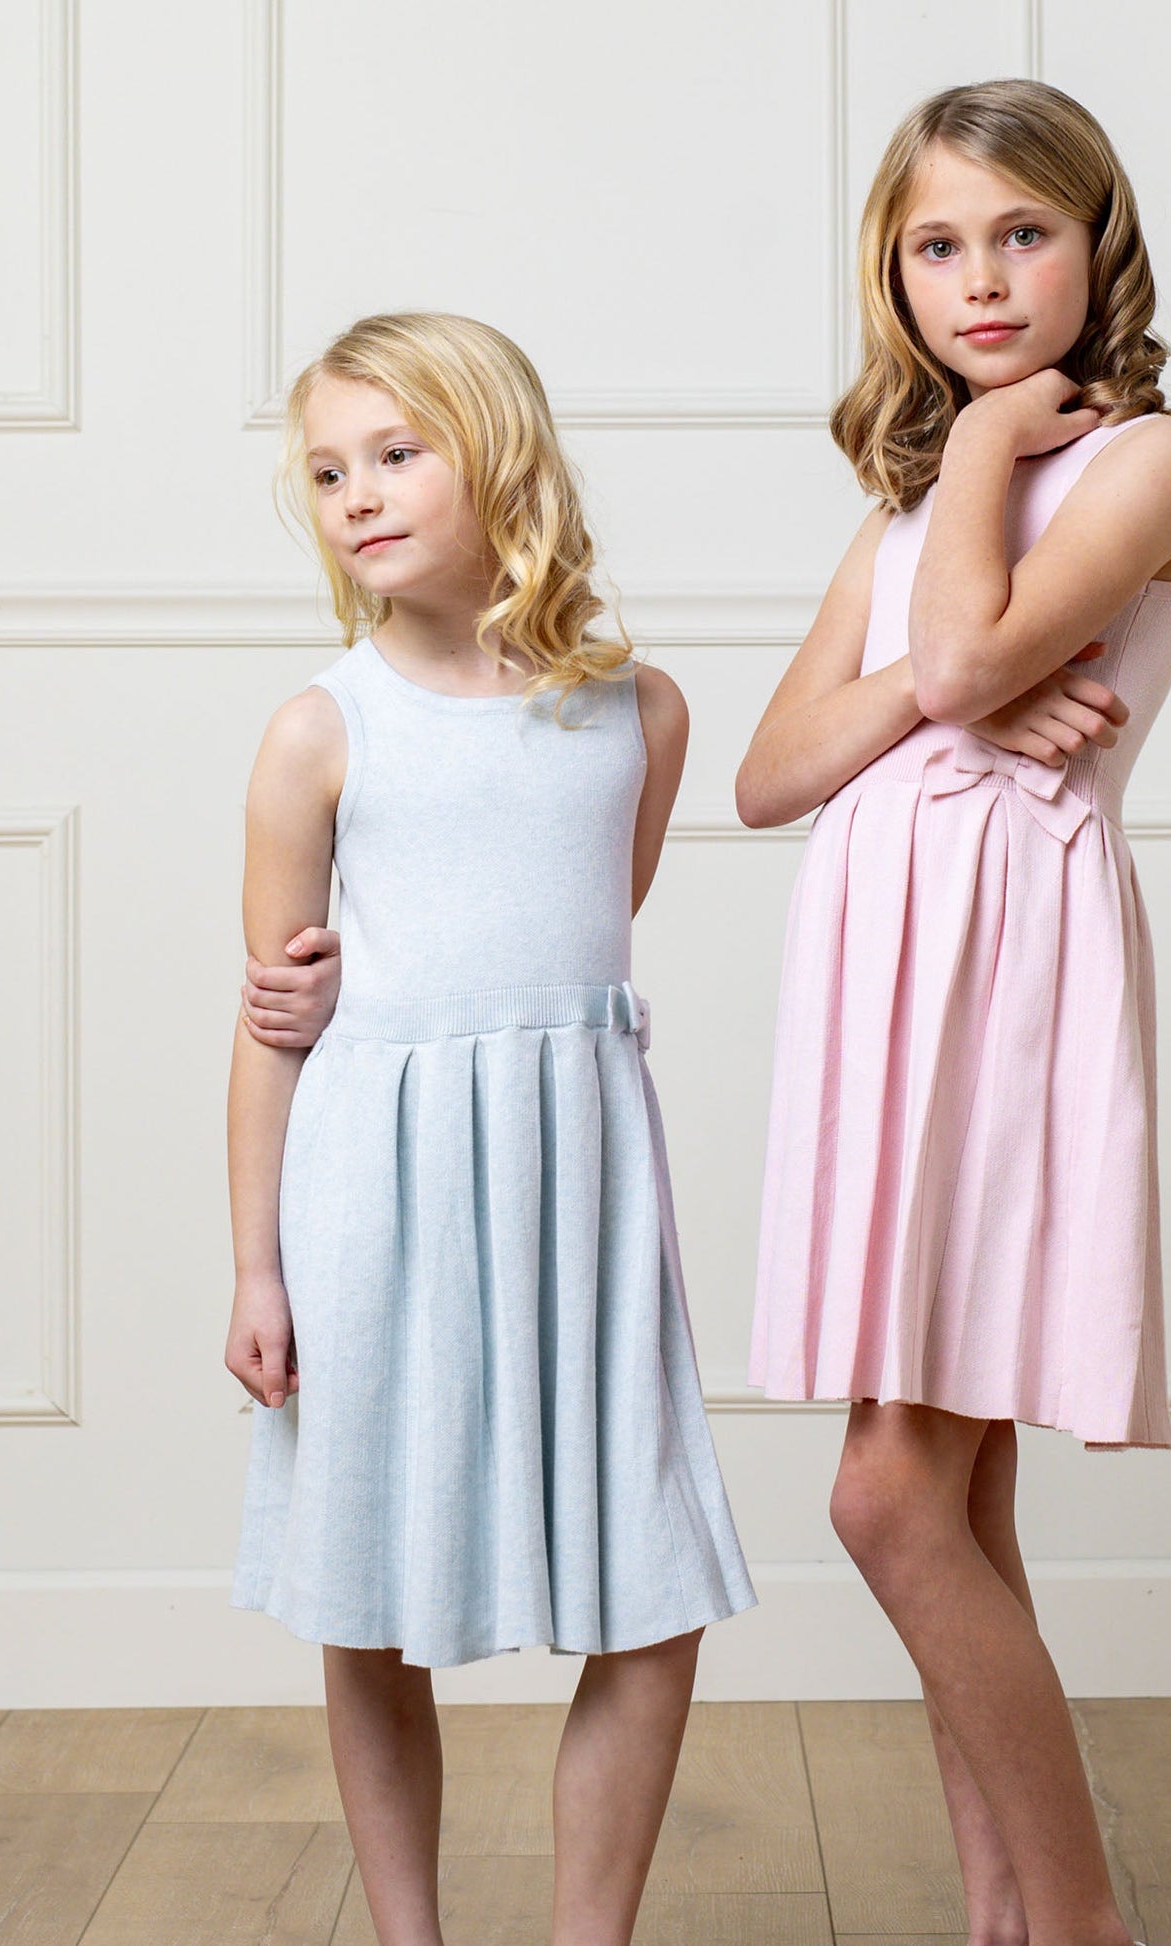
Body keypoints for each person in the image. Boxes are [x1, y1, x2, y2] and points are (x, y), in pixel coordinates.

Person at [738, 80, 1171, 1946]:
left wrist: (997, 460)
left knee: (885, 1498)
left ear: (1097, 246)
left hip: (1005, 963)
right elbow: (771, 774)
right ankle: (1006, 1921)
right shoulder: (908, 513)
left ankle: (1079, 1922)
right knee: (952, 1499)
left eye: (1022, 233)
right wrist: (960, 682)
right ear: (896, 278)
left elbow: (950, 649)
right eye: (938, 246)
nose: (983, 279)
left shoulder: (1147, 462)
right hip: (880, 973)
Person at [224, 311, 754, 1946]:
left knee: (652, 1586)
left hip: (575, 1190)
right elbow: (271, 1019)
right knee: (368, 1594)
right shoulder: (320, 729)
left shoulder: (641, 713)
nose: (358, 495)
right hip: (373, 1197)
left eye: (397, 453)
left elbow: (582, 938)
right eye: (328, 471)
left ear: (500, 455)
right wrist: (255, 1266)